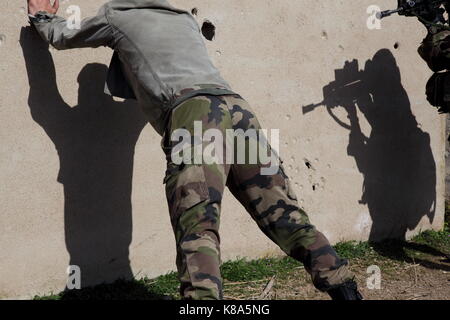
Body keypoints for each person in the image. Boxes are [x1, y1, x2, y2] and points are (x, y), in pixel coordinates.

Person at [26, 0, 362, 300]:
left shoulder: (118, 14)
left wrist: (42, 16)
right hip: (238, 109)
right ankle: (343, 286)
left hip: (195, 115)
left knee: (197, 224)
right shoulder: (183, 18)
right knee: (283, 213)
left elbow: (63, 37)